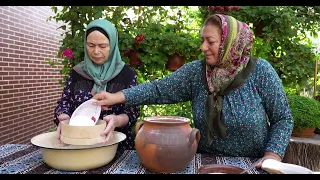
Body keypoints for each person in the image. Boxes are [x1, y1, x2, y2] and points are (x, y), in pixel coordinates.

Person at [92, 14, 294, 168]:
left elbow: (283, 118)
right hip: (205, 163)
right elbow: (159, 89)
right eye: (203, 40)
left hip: (254, 164)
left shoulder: (260, 71)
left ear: (230, 43)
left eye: (211, 42)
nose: (203, 47)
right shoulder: (197, 73)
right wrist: (117, 96)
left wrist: (272, 156)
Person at [53, 19, 140, 154]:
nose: (96, 51)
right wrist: (64, 117)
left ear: (112, 45)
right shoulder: (77, 73)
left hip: (116, 147)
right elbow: (64, 103)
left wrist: (117, 120)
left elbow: (133, 112)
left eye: (103, 46)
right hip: (79, 145)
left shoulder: (127, 75)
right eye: (91, 45)